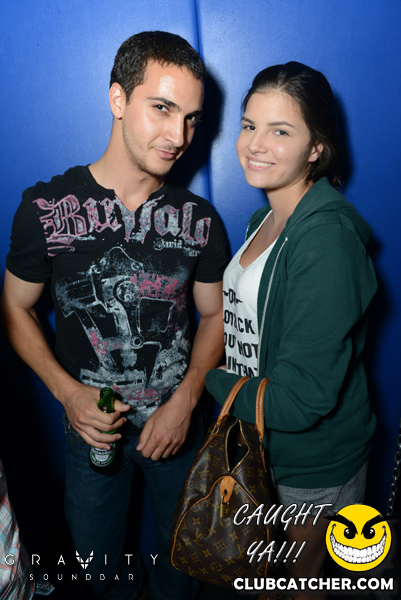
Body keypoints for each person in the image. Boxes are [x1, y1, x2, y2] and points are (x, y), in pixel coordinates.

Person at [1, 31, 227, 600]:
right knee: (99, 578)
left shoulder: (200, 219)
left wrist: (186, 400)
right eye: (162, 108)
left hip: (177, 426)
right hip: (92, 429)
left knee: (186, 571)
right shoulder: (46, 209)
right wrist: (68, 394)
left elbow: (215, 316)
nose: (178, 136)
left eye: (192, 118)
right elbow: (15, 306)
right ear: (118, 99)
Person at [205, 62, 377, 599]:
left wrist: (206, 382)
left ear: (316, 148)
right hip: (259, 448)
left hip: (310, 466)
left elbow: (301, 402)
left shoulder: (326, 240)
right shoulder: (262, 222)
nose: (255, 144)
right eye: (249, 125)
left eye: (280, 130)